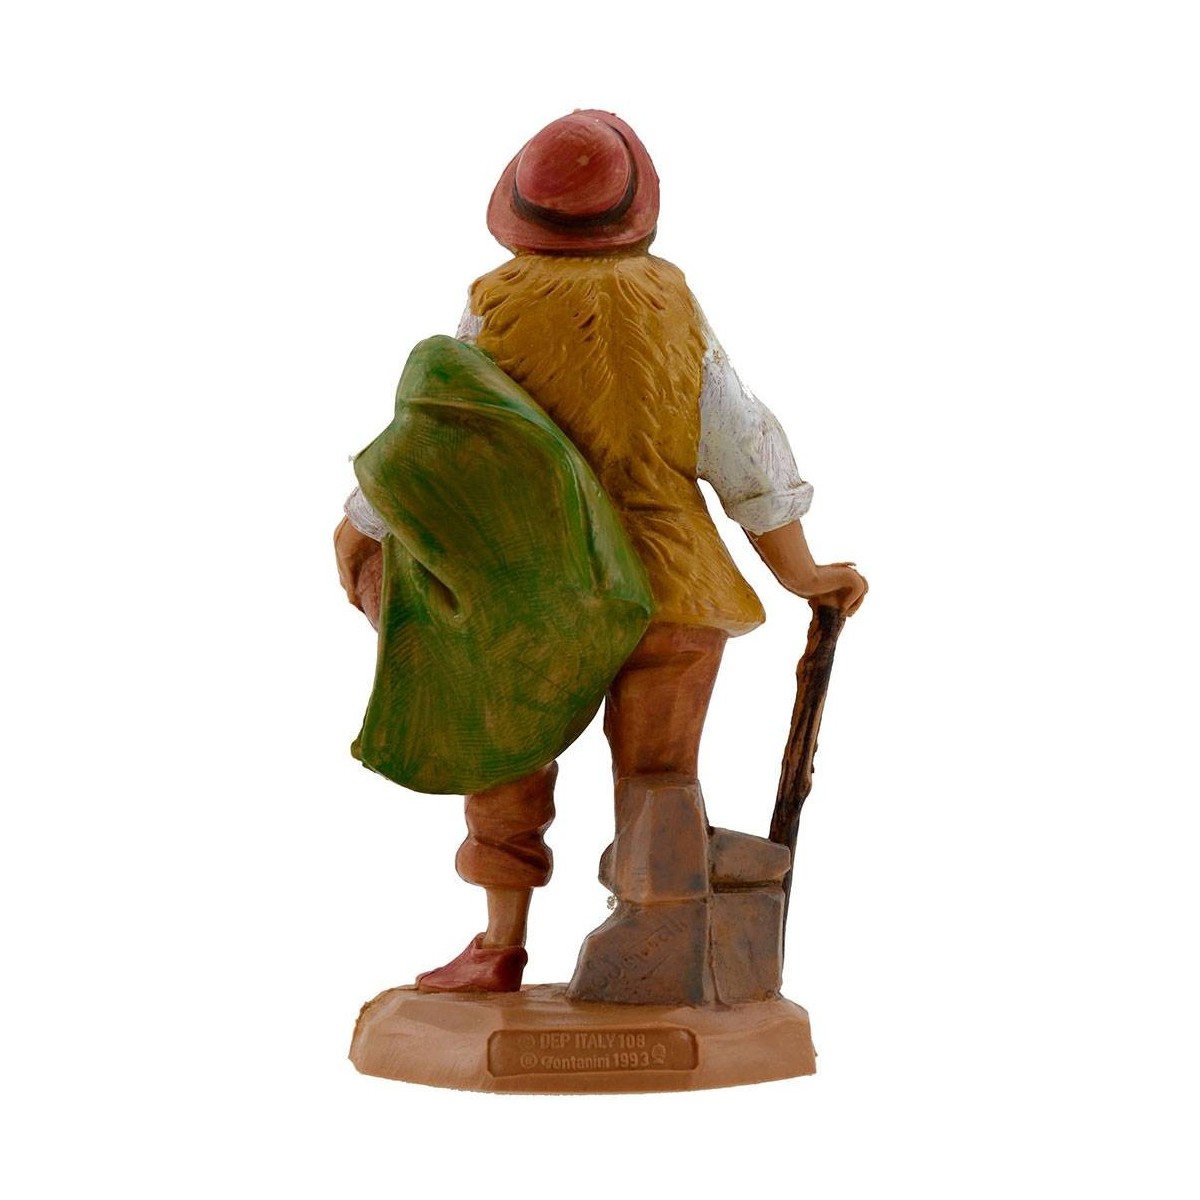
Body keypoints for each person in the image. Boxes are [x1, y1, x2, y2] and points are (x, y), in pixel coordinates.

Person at [334, 110, 866, 992]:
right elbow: (745, 442)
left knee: (503, 746)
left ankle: (501, 944)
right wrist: (801, 571)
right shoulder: (669, 303)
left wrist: (364, 522)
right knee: (660, 777)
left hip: (536, 594)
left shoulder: (497, 304)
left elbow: (442, 435)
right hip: (674, 588)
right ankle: (658, 947)